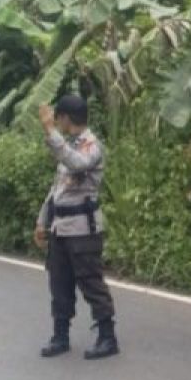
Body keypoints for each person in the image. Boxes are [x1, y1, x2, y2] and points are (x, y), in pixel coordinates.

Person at [34, 95, 119, 360]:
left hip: (83, 229)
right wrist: (42, 221)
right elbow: (57, 189)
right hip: (61, 228)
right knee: (59, 284)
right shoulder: (68, 145)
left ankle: (107, 336)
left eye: (57, 118)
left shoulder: (91, 146)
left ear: (66, 118)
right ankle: (60, 335)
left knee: (91, 283)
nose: (55, 123)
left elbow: (77, 163)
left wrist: (49, 132)